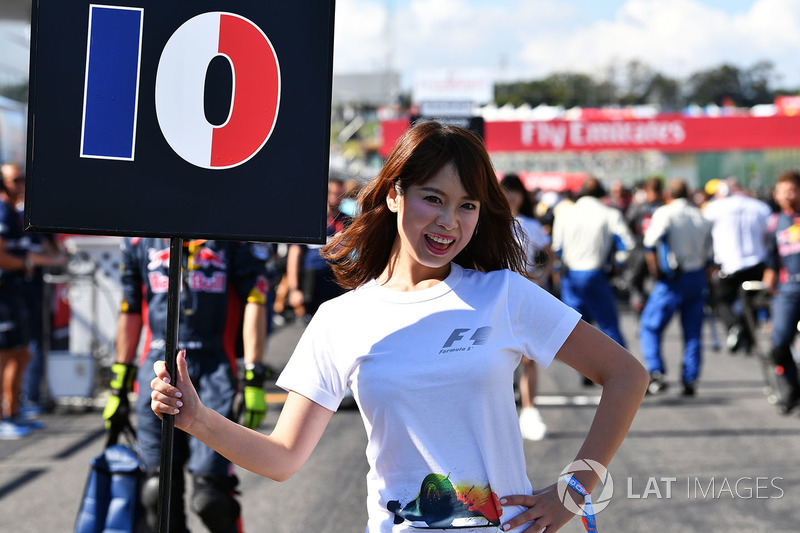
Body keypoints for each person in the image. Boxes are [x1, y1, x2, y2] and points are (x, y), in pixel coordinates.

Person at [150, 121, 649, 533]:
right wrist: (197, 420)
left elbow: (627, 375)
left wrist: (573, 493)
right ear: (394, 195)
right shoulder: (341, 319)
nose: (450, 221)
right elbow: (283, 457)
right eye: (434, 198)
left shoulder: (504, 294)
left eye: (467, 205)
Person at [104, 237, 270, 532]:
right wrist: (118, 386)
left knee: (213, 499)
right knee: (157, 492)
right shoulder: (138, 239)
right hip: (155, 371)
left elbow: (255, 299)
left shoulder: (233, 236)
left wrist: (254, 376)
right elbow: (129, 307)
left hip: (214, 371)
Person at [0, 162, 66, 439]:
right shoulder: (2, 210)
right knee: (8, 355)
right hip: (5, 293)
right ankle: (6, 415)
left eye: (23, 179)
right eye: (15, 180)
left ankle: (14, 410)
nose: (21, 184)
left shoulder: (16, 212)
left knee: (21, 352)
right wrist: (27, 262)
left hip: (18, 294)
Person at [639, 179, 713, 397]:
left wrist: (655, 272)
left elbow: (650, 242)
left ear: (668, 194)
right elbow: (709, 256)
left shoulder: (665, 213)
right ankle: (690, 378)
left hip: (672, 278)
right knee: (692, 332)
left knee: (650, 326)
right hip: (696, 276)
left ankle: (656, 371)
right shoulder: (701, 216)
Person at [551, 177, 635, 349]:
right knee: (608, 325)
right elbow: (628, 244)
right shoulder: (610, 213)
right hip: (596, 274)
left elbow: (557, 247)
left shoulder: (565, 213)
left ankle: (586, 371)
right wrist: (617, 265)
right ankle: (619, 370)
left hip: (571, 274)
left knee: (575, 328)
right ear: (601, 193)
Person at [501, 173, 554, 441]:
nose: (511, 196)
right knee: (498, 357)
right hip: (497, 299)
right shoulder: (489, 223)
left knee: (529, 356)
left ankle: (530, 409)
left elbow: (550, 255)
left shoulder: (531, 224)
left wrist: (540, 278)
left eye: (515, 191)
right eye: (506, 190)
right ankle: (506, 413)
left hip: (528, 298)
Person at [703, 177, 772, 354]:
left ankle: (735, 327)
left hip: (728, 264)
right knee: (753, 302)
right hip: (756, 263)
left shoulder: (715, 208)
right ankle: (747, 339)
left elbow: (704, 233)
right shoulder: (759, 207)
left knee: (722, 300)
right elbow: (769, 233)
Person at [285, 177, 352, 321]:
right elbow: (294, 254)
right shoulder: (311, 220)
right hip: (312, 280)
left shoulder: (348, 221)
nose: (335, 197)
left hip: (338, 282)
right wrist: (294, 289)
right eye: (331, 192)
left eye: (339, 194)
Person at [762, 170, 800, 414]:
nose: (786, 195)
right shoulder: (774, 223)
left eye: (792, 190)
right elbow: (771, 265)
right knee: (778, 344)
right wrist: (765, 293)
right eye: (782, 190)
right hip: (787, 292)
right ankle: (791, 390)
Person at [624, 176, 664, 312]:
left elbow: (628, 225)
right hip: (657, 252)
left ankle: (642, 312)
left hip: (641, 251)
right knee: (653, 285)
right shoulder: (664, 209)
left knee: (638, 285)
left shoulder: (639, 207)